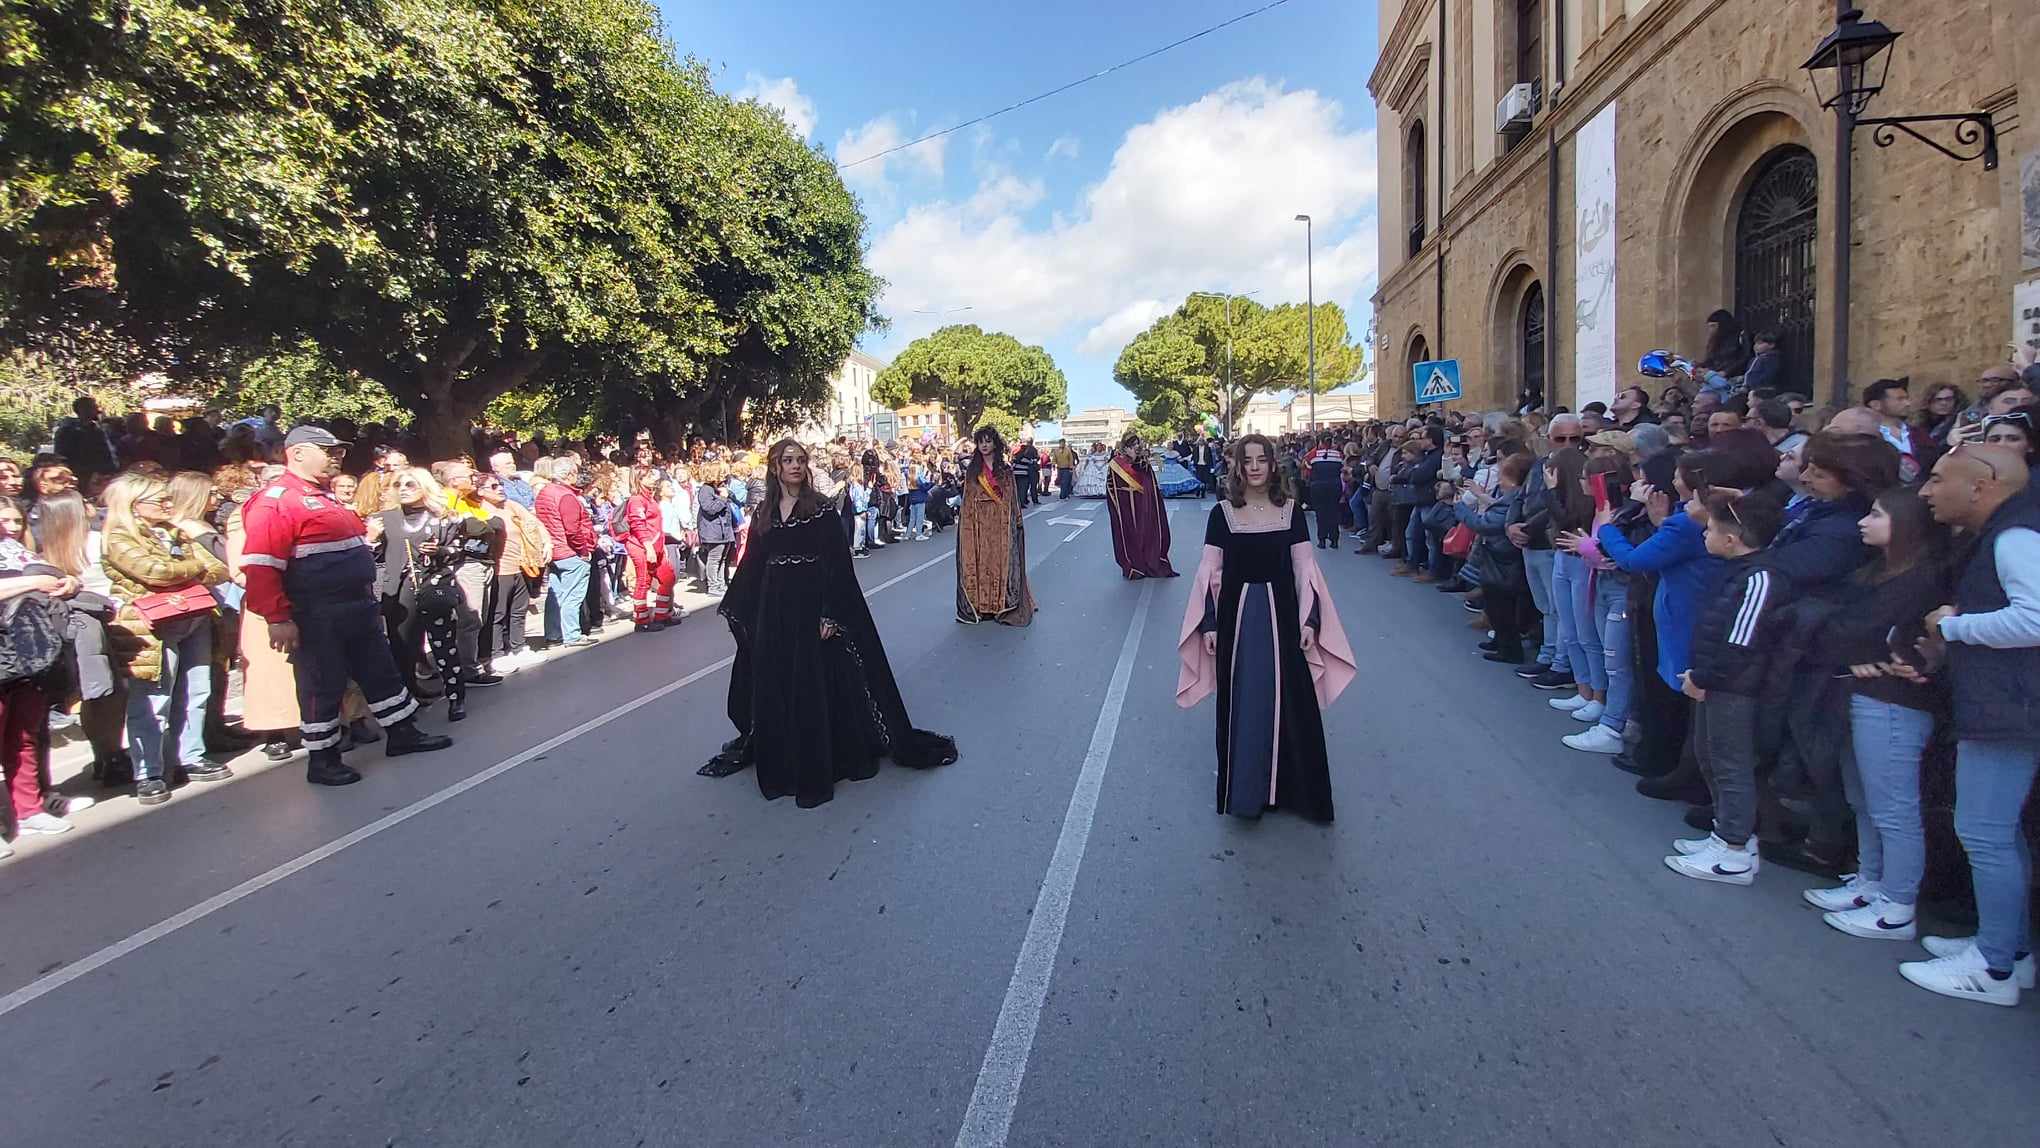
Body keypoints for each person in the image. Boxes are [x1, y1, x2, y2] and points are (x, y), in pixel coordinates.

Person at [702, 439, 957, 805]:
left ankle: (826, 757)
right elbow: (753, 564)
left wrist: (831, 613)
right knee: (779, 684)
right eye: (787, 460)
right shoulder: (764, 512)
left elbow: (838, 566)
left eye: (800, 460)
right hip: (775, 611)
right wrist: (742, 609)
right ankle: (785, 763)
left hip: (811, 607)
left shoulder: (820, 510)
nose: (794, 466)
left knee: (816, 685)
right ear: (775, 467)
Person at [1901, 446, 2040, 1005]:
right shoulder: (2005, 533)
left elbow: (2035, 616)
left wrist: (1956, 627)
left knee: (1985, 832)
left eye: (1938, 479)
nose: (1927, 491)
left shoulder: (2014, 536)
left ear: (1982, 486)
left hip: (2010, 710)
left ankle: (1993, 967)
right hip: (2007, 706)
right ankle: (2008, 950)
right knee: (1998, 832)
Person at [240, 427, 451, 785]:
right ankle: (323, 759)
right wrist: (277, 617)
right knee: (322, 683)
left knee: (379, 671)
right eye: (328, 450)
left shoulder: (325, 496)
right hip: (316, 611)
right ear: (298, 453)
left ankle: (402, 733)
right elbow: (261, 566)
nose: (337, 456)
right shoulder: (276, 501)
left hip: (356, 606)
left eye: (339, 450)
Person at [1176, 433, 1355, 823]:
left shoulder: (1290, 512)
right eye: (1247, 461)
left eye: (1261, 460)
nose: (1254, 467)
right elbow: (1210, 573)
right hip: (1236, 623)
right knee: (1243, 702)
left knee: (1293, 701)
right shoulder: (1221, 514)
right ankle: (1247, 795)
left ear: (1273, 466)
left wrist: (1310, 619)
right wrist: (1209, 624)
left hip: (1284, 619)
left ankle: (1296, 794)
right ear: (1237, 467)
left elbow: (1305, 569)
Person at [1799, 487, 1947, 941]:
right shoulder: (1874, 572)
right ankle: (1870, 880)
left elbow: (1864, 632)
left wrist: (1861, 650)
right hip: (1859, 690)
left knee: (1894, 807)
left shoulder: (1921, 579)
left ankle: (1897, 903)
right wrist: (1853, 653)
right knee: (1863, 798)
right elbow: (1835, 632)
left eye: (1877, 514)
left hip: (1895, 701)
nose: (1864, 521)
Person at [1666, 488, 1790, 884]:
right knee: (1710, 756)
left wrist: (1705, 676)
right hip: (1716, 680)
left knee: (1731, 764)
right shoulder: (1736, 572)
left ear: (1732, 539)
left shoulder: (1760, 578)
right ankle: (1726, 834)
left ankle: (1735, 849)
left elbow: (1741, 642)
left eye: (1711, 530)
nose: (1705, 536)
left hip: (1736, 688)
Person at [100, 472, 232, 804]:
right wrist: (192, 569)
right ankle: (149, 771)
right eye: (159, 500)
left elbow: (219, 567)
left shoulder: (177, 530)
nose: (167, 504)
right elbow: (152, 572)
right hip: (152, 626)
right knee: (155, 698)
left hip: (195, 616)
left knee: (197, 688)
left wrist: (183, 568)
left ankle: (191, 755)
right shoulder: (118, 536)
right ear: (134, 503)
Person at [956, 426, 1035, 626]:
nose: (984, 445)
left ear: (995, 444)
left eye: (988, 441)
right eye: (980, 441)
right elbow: (967, 501)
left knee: (1001, 562)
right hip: (979, 525)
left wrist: (1016, 520)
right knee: (981, 563)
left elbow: (1013, 499)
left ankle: (1000, 605)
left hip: (1001, 524)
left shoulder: (1006, 470)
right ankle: (982, 606)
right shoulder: (973, 471)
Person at [475, 471, 545, 671]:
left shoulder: (511, 506)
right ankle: (496, 653)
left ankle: (519, 647)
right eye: (493, 487)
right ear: (480, 492)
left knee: (519, 610)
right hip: (499, 569)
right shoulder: (481, 513)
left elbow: (533, 522)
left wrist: (544, 541)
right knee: (498, 613)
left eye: (500, 485)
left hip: (520, 565)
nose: (500, 489)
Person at [535, 457, 597, 649]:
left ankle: (553, 634)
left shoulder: (545, 492)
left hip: (554, 550)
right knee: (572, 595)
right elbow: (572, 529)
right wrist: (583, 550)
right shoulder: (565, 496)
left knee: (556, 595)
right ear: (569, 474)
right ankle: (572, 634)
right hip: (569, 551)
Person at [1103, 433, 1177, 580]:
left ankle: (1150, 561)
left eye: (1137, 443)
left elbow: (1148, 477)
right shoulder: (1115, 463)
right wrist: (1116, 505)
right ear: (1125, 446)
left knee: (1146, 532)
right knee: (1130, 535)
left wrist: (1136, 458)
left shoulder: (1143, 460)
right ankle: (1134, 566)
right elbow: (1110, 485)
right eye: (1132, 444)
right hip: (1125, 506)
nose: (1136, 446)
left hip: (1144, 504)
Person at [620, 466, 677, 631]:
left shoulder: (649, 499)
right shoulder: (636, 500)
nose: (654, 478)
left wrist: (659, 547)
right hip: (642, 546)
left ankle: (661, 615)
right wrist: (648, 546)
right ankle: (641, 619)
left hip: (655, 545)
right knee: (643, 581)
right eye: (649, 476)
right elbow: (638, 525)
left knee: (668, 577)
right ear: (640, 479)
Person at [1863, 378, 1922, 483]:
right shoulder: (1865, 437)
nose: (1907, 403)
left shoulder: (1920, 435)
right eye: (1900, 399)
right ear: (1876, 405)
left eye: (1907, 398)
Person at [695, 463, 736, 597]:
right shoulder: (705, 490)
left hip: (724, 529)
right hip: (713, 530)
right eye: (721, 472)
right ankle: (713, 585)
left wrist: (726, 494)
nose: (723, 475)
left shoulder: (717, 488)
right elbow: (710, 508)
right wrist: (723, 499)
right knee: (714, 559)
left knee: (723, 559)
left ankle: (721, 583)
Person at [54, 396, 117, 483]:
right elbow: (62, 455)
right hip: (84, 476)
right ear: (83, 410)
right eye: (93, 407)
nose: (98, 411)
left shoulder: (98, 429)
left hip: (104, 474)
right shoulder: (67, 431)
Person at [1303, 435, 1345, 549]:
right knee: (1333, 512)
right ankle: (1334, 540)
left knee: (1320, 513)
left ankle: (1322, 540)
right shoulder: (1339, 454)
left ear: (1319, 441)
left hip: (1318, 487)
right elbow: (1342, 470)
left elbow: (1306, 472)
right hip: (1334, 486)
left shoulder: (1312, 455)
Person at [1010, 436, 1041, 508]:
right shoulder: (1032, 450)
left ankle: (1021, 501)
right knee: (1024, 488)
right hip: (1025, 473)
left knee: (1018, 489)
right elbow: (1032, 461)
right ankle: (1024, 502)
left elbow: (1013, 462)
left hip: (1016, 473)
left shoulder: (1016, 453)